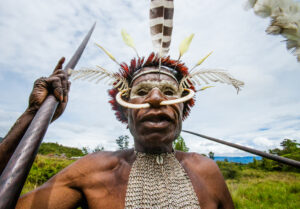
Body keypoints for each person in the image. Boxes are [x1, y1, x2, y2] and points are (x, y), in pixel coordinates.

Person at [0, 53, 235, 209]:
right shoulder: (91, 171)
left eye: (168, 91)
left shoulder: (207, 171)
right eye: (141, 92)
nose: (155, 99)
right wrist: (32, 115)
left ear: (182, 109)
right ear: (126, 112)